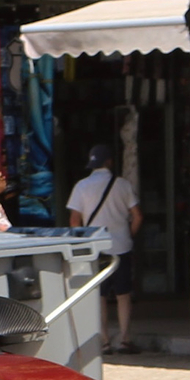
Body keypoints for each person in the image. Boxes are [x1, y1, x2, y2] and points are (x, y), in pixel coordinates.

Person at [66, 142, 142, 352]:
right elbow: (137, 216)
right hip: (121, 245)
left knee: (98, 295)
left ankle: (105, 341)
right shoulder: (123, 185)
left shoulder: (81, 186)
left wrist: (83, 242)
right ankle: (125, 339)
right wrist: (129, 235)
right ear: (109, 162)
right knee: (123, 294)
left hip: (95, 248)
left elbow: (74, 220)